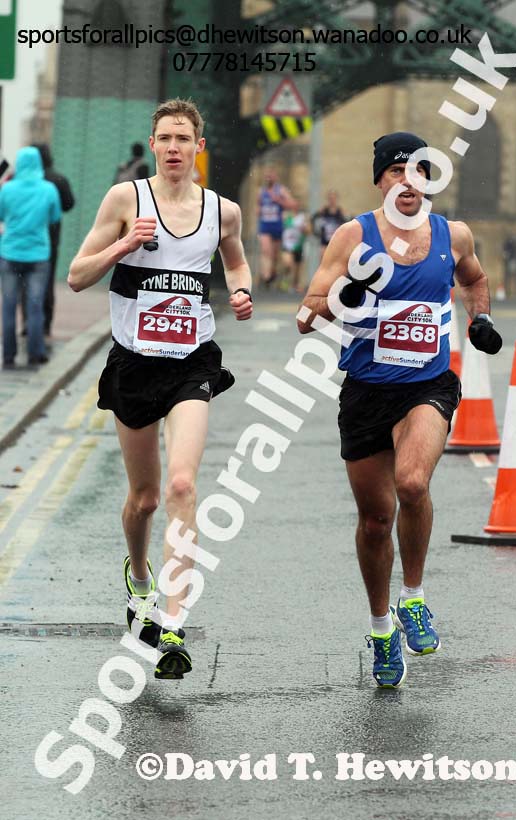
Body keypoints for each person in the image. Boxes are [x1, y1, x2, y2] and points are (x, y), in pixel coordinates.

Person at [297, 132, 502, 688]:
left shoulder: (451, 234)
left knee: (412, 484)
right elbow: (307, 314)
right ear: (380, 183)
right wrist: (346, 299)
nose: (407, 182)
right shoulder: (352, 236)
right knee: (374, 520)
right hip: (365, 391)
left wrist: (479, 318)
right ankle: (382, 627)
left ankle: (413, 598)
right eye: (395, 173)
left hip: (427, 386)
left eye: (417, 172)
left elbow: (476, 280)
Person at [68, 98, 253, 680]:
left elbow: (238, 264)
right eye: (164, 138)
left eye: (184, 138)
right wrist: (125, 245)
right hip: (133, 365)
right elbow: (77, 276)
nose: (174, 147)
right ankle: (140, 577)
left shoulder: (224, 212)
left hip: (191, 363)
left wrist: (242, 292)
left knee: (180, 484)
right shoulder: (127, 200)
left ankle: (173, 621)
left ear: (199, 147)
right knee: (144, 498)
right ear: (153, 145)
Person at [0, 146, 61, 368]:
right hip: (38, 255)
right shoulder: (48, 189)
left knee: (8, 305)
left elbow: (1, 214)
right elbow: (54, 216)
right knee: (35, 306)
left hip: (9, 253)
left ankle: (8, 355)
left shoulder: (7, 189)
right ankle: (35, 353)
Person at [32, 144, 76, 336]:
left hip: (27, 239)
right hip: (51, 238)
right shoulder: (58, 179)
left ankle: (28, 323)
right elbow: (69, 204)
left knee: (25, 283)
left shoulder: (27, 179)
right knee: (47, 282)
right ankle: (46, 324)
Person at [257, 167, 295, 287]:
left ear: (276, 177)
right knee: (266, 250)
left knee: (275, 255)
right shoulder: (261, 191)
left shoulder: (281, 190)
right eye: (267, 175)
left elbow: (293, 205)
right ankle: (266, 276)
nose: (269, 177)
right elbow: (258, 207)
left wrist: (279, 201)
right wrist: (258, 211)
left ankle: (272, 274)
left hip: (277, 226)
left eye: (271, 175)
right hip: (265, 226)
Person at [281, 199, 309, 292]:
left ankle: (293, 285)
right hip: (287, 245)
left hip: (298, 245)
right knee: (288, 264)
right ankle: (285, 279)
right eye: (293, 205)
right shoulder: (285, 216)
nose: (295, 207)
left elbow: (308, 231)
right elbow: (280, 227)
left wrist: (305, 229)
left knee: (297, 270)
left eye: (297, 205)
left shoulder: (303, 217)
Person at [312, 189, 347, 259]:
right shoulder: (323, 211)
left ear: (337, 199)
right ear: (328, 199)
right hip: (324, 242)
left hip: (336, 242)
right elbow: (312, 219)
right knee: (323, 259)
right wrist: (315, 233)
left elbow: (347, 224)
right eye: (330, 198)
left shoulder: (341, 212)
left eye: (334, 198)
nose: (332, 200)